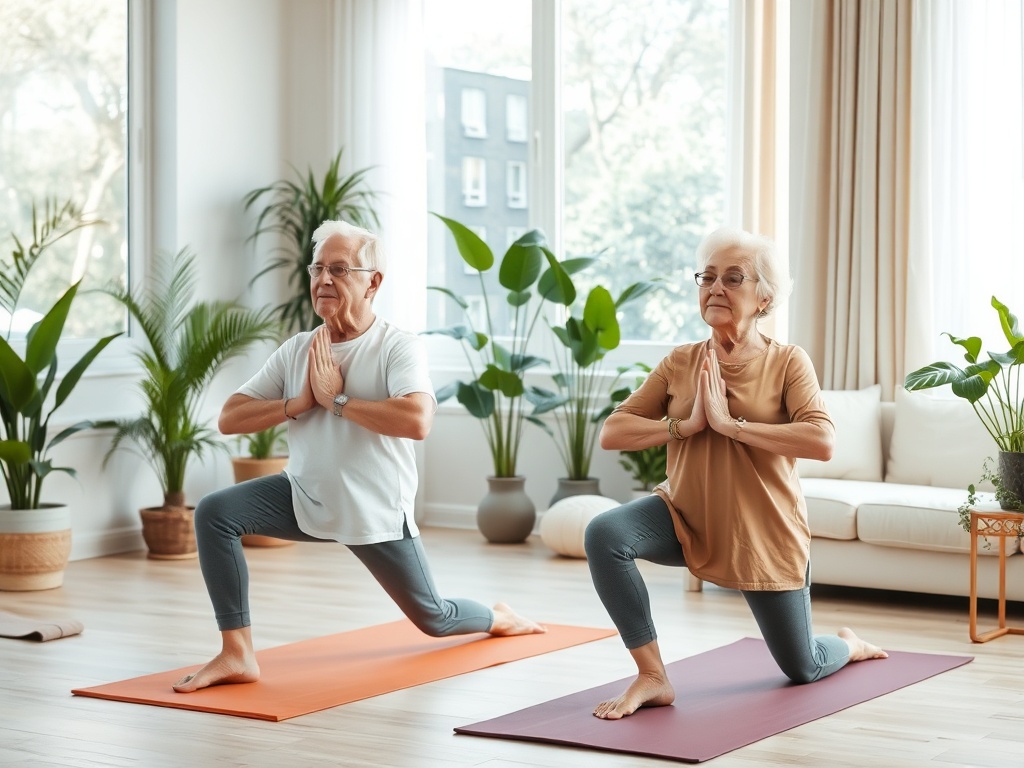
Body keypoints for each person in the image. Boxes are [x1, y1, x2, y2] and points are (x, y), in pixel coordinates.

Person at [174, 219, 544, 693]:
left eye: (339, 269)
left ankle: (498, 617)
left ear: (373, 282)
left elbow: (417, 421)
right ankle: (237, 652)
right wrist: (298, 403)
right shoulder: (298, 350)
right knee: (215, 513)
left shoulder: (396, 346)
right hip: (302, 494)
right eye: (317, 268)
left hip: (372, 507)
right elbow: (230, 417)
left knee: (435, 617)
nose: (323, 280)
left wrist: (337, 401)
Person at [584, 226, 887, 720]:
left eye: (732, 277)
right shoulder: (681, 362)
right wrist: (685, 426)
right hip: (685, 517)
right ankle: (653, 676)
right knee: (605, 533)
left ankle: (847, 645)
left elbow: (822, 440)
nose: (715, 287)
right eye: (706, 277)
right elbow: (613, 431)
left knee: (802, 666)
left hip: (762, 533)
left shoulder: (788, 361)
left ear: (763, 297)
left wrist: (731, 426)